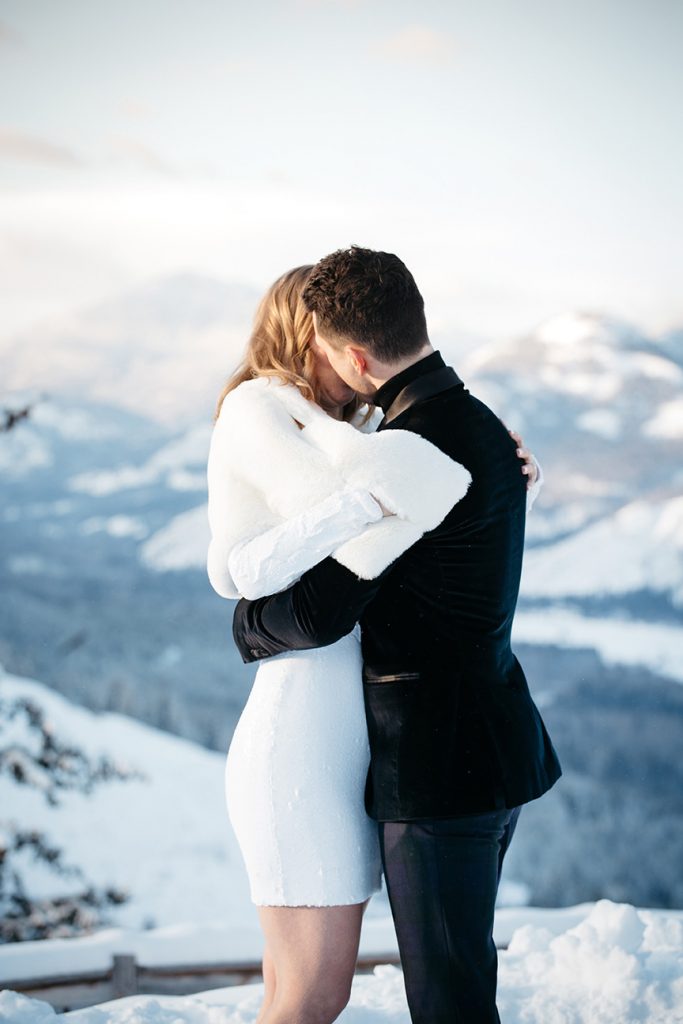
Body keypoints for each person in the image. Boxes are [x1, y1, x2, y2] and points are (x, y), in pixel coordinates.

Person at [231, 248, 562, 1024]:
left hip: (437, 767)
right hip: (487, 745)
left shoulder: (411, 454)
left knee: (447, 1003)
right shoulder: (474, 422)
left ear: (352, 353)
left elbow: (316, 612)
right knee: (457, 983)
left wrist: (247, 623)